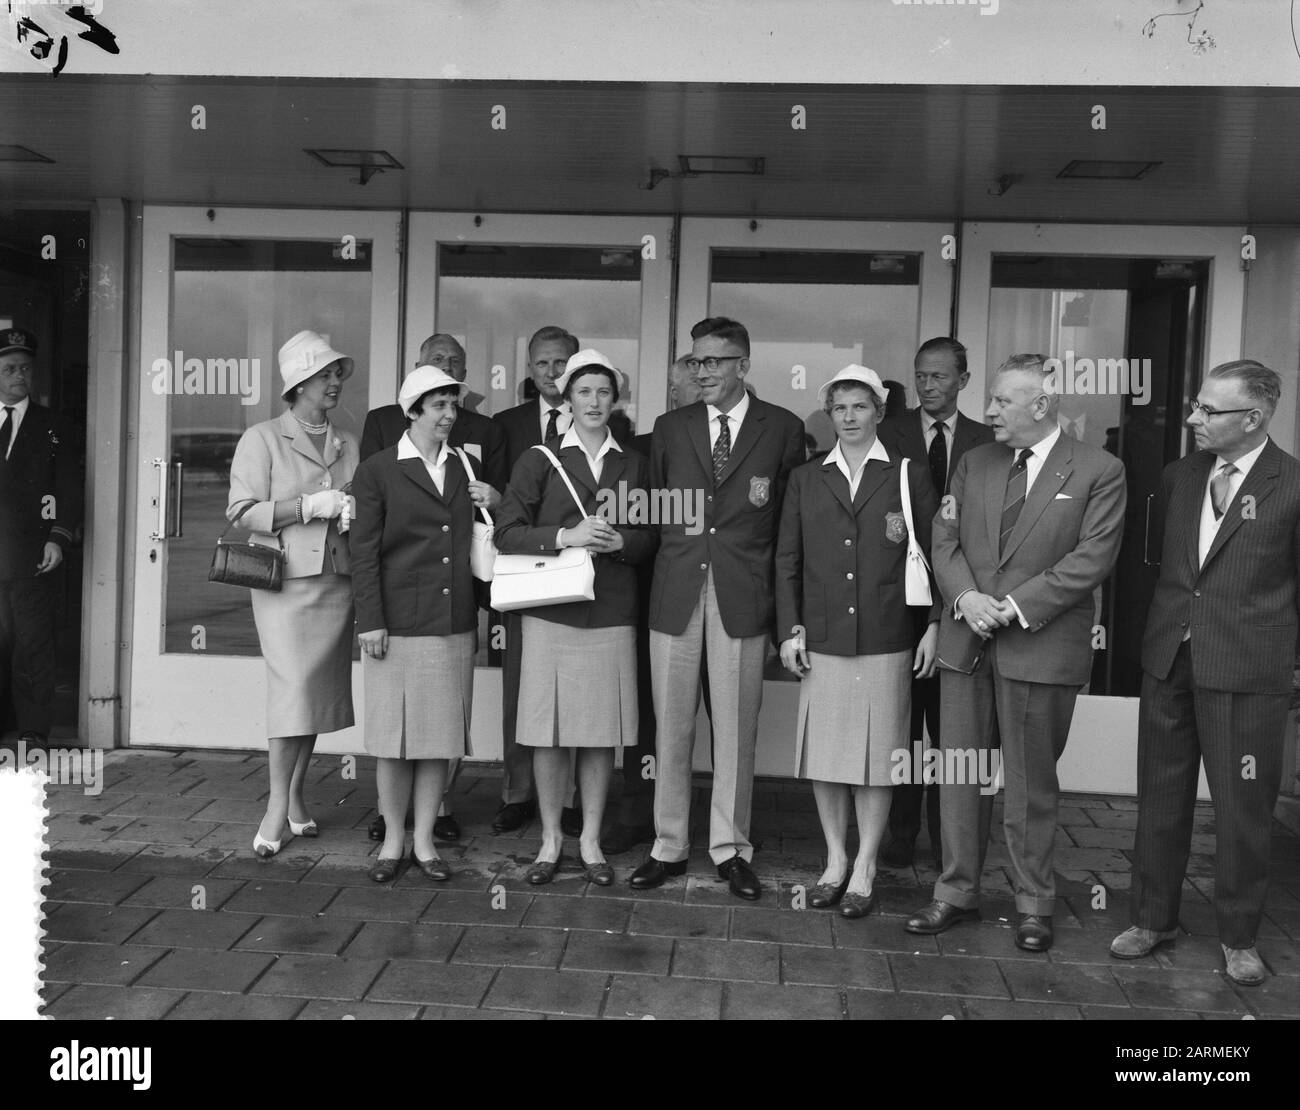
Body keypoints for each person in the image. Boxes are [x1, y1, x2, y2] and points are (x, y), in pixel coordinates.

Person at [906, 353, 1126, 952]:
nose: (990, 410)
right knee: (959, 777)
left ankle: (1034, 903)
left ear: (1043, 405)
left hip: (1040, 643)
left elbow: (1093, 557)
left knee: (1030, 784)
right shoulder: (974, 463)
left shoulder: (1099, 470)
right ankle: (955, 893)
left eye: (1003, 400)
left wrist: (1014, 606)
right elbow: (942, 537)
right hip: (966, 640)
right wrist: (967, 598)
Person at [1112, 360, 1300, 986]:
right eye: (1196, 405)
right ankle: (1151, 918)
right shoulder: (1179, 476)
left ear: (1254, 418)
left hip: (1248, 673)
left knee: (1244, 809)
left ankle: (1239, 936)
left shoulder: (1292, 485)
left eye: (1207, 410)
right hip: (1170, 661)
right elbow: (1156, 568)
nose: (1192, 418)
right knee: (1160, 800)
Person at [631, 317, 804, 901]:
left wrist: (787, 613)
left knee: (735, 731)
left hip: (743, 593)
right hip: (676, 592)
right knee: (672, 729)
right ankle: (669, 845)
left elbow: (787, 526)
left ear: (743, 366)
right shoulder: (669, 427)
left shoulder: (781, 427)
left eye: (714, 362)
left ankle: (731, 849)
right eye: (694, 362)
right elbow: (655, 513)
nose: (701, 372)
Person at [776, 366, 940, 916]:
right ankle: (835, 860)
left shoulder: (907, 473)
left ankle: (867, 864)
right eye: (839, 408)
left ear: (879, 412)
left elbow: (934, 554)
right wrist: (789, 628)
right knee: (826, 757)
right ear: (829, 414)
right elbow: (788, 559)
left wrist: (934, 625)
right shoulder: (805, 477)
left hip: (888, 633)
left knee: (876, 756)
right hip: (821, 635)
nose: (848, 417)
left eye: (860, 407)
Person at [493, 350, 656, 884]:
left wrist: (620, 541)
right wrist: (566, 537)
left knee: (597, 732)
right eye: (583, 392)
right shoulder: (538, 459)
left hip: (611, 612)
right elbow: (506, 531)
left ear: (616, 400)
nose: (594, 401)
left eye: (604, 392)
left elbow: (653, 537)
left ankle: (589, 842)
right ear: (566, 398)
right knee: (548, 732)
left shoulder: (634, 462)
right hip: (550, 613)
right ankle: (548, 842)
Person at [360, 332, 507, 844]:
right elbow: (365, 553)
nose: (449, 413)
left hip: (453, 621)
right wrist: (370, 621)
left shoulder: (466, 466)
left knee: (439, 739)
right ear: (413, 410)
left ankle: (423, 840)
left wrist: (499, 498)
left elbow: (489, 531)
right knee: (393, 738)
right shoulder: (378, 470)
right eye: (438, 404)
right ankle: (394, 842)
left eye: (453, 403)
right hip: (397, 622)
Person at [227, 329, 361, 858]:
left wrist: (349, 510)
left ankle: (296, 798)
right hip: (283, 582)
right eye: (325, 375)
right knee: (292, 691)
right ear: (299, 382)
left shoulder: (347, 442)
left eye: (336, 375)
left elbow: (355, 500)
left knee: (316, 695)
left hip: (336, 579)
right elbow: (241, 512)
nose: (335, 383)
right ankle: (275, 807)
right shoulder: (261, 438)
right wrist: (307, 507)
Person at [876, 337, 995, 869]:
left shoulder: (988, 440)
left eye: (940, 377)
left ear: (963, 380)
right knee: (903, 725)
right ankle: (899, 837)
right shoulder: (886, 432)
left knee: (953, 729)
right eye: (921, 375)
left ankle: (950, 840)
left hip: (964, 597)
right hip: (898, 600)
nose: (927, 385)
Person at [605, 356, 703, 855]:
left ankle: (719, 826)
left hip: (727, 597)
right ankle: (640, 812)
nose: (674, 396)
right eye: (676, 387)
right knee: (654, 718)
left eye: (678, 387)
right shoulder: (642, 450)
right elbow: (630, 522)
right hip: (658, 599)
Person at [491, 325, 583, 836]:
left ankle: (567, 798)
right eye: (543, 364)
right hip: (522, 572)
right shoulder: (506, 425)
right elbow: (504, 504)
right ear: (529, 370)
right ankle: (517, 791)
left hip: (576, 576)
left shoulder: (601, 420)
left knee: (571, 690)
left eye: (561, 363)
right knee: (518, 687)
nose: (552, 373)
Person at [0, 328, 82, 749]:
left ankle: (32, 730)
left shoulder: (53, 426)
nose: (20, 376)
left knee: (32, 644)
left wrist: (58, 538)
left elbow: (69, 490)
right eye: (10, 368)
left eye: (26, 369)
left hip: (31, 555)